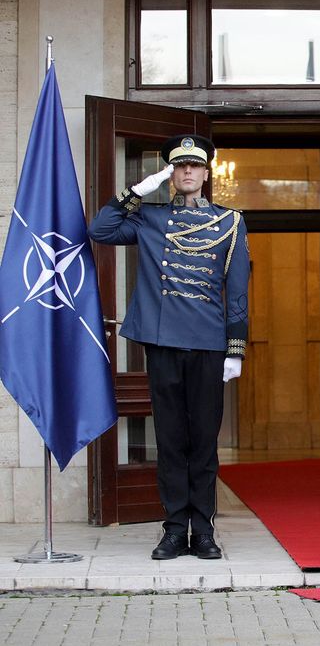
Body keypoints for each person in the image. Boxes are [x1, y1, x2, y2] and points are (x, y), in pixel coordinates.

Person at [88, 135, 250, 560]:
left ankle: (205, 530)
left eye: (195, 166)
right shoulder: (151, 218)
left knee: (203, 442)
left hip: (208, 342)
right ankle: (175, 529)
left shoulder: (230, 222)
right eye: (179, 167)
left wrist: (235, 348)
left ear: (206, 171)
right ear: (172, 174)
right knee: (171, 440)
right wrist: (140, 189)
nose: (188, 173)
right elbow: (99, 229)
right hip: (162, 341)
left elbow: (236, 291)